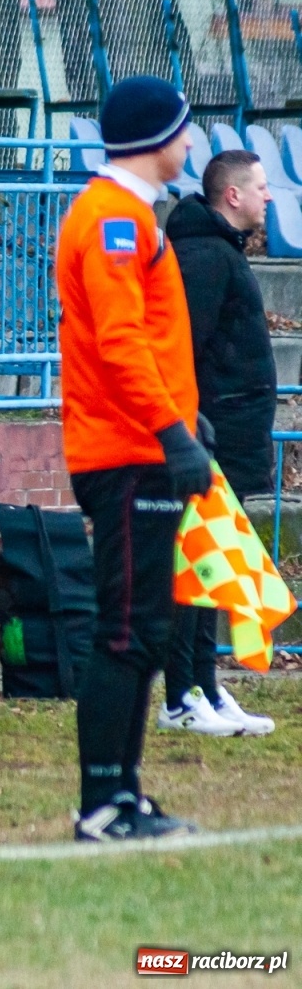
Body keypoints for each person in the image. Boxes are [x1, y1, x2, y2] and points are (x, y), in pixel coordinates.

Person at [58, 77, 204, 841]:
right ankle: (102, 804)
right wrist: (169, 433)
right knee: (125, 631)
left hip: (140, 444)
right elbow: (118, 342)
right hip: (128, 453)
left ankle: (125, 791)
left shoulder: (129, 214)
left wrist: (187, 419)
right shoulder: (115, 219)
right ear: (155, 138)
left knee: (144, 628)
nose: (189, 144)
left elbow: (145, 338)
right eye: (183, 131)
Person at [159, 151, 278, 738]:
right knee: (196, 565)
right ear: (232, 196)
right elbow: (184, 350)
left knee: (210, 564)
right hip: (207, 438)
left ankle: (204, 685)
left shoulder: (219, 251)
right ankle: (181, 694)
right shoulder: (205, 257)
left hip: (225, 437)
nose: (269, 196)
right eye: (260, 187)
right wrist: (194, 430)